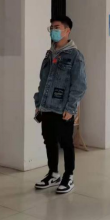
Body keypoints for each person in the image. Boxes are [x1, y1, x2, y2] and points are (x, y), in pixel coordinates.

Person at [34, 16, 87, 194]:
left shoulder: (75, 56)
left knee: (66, 142)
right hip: (46, 106)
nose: (53, 31)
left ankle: (68, 176)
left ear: (67, 30)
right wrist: (39, 103)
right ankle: (53, 173)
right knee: (49, 141)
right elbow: (43, 81)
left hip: (63, 109)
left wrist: (71, 108)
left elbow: (79, 85)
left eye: (56, 27)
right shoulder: (49, 54)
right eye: (51, 28)